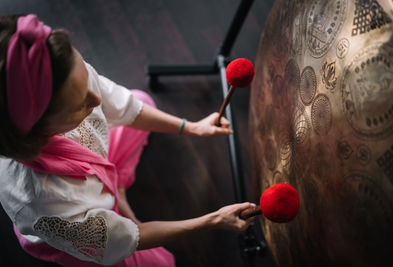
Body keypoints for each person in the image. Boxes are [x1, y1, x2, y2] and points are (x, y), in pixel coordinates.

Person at [0, 14, 256, 267]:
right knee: (162, 264)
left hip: (92, 172)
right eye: (79, 105)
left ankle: (115, 192)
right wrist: (214, 220)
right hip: (75, 226)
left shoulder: (63, 73)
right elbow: (124, 238)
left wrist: (193, 127)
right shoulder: (45, 204)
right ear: (35, 131)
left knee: (141, 101)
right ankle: (111, 206)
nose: (96, 99)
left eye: (86, 79)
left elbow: (123, 106)